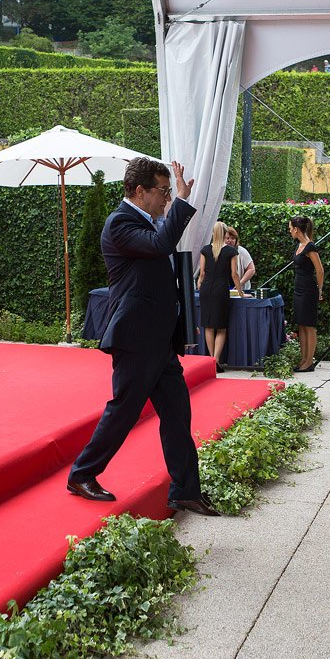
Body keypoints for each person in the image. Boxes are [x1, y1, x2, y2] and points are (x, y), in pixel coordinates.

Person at [67, 157, 220, 516]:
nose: (167, 198)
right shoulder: (120, 222)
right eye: (163, 191)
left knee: (177, 414)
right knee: (124, 410)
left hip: (159, 338)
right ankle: (82, 474)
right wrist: (182, 201)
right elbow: (162, 245)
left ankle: (185, 490)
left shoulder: (147, 223)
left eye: (169, 192)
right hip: (136, 337)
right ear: (140, 191)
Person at [196, 221, 242, 371]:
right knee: (221, 327)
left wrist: (199, 284)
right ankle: (216, 360)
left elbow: (202, 274)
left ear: (213, 234)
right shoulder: (230, 251)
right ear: (225, 234)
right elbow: (234, 274)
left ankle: (211, 360)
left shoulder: (205, 250)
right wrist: (241, 292)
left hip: (206, 289)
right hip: (220, 290)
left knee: (208, 326)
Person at [289, 215, 324, 373]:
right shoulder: (299, 245)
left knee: (309, 326)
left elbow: (320, 270)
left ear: (296, 229)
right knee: (301, 324)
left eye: (290, 228)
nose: (290, 231)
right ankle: (303, 359)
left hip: (308, 290)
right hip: (299, 289)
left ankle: (309, 362)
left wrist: (320, 290)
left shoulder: (310, 247)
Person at [224, 225, 256, 292]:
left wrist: (239, 284)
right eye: (227, 238)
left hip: (240, 290)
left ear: (236, 240)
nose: (230, 240)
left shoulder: (241, 251)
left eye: (233, 238)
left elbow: (251, 269)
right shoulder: (219, 252)